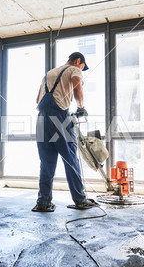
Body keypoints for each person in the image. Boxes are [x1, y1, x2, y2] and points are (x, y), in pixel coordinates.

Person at [32, 52, 98, 212]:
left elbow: (37, 100)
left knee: (46, 162)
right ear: (77, 61)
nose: (81, 70)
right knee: (70, 158)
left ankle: (43, 202)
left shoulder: (49, 74)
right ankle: (80, 200)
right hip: (59, 118)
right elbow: (77, 85)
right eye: (82, 66)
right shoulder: (74, 70)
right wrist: (81, 107)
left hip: (42, 119)